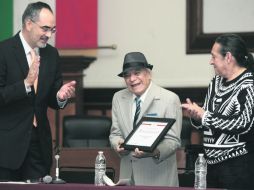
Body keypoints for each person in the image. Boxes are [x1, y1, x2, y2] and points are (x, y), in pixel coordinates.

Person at [0, 2, 76, 181]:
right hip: (7, 148)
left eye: (53, 30)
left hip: (38, 147)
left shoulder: (51, 54)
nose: (49, 35)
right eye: (45, 28)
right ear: (28, 23)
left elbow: (50, 98)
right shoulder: (3, 51)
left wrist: (59, 96)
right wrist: (26, 83)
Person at [182, 33, 254, 189]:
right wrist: (196, 117)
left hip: (239, 168)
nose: (210, 61)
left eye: (214, 57)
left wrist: (205, 115)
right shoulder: (216, 82)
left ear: (228, 57)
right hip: (211, 167)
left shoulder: (249, 84)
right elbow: (206, 121)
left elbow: (243, 124)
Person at [109, 52, 182, 186]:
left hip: (158, 178)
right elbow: (115, 133)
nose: (132, 79)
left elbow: (173, 141)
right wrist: (118, 144)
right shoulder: (118, 98)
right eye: (127, 75)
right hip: (127, 178)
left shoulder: (169, 99)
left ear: (148, 74)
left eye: (137, 73)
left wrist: (154, 151)